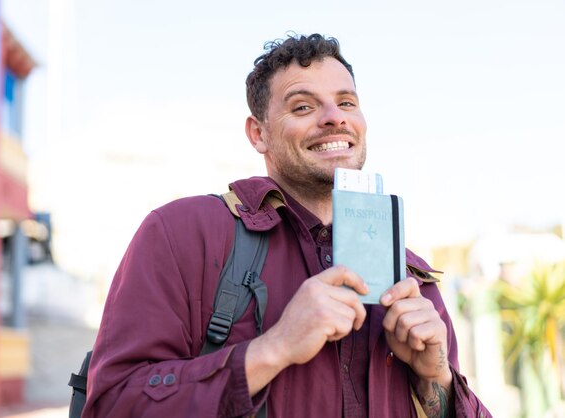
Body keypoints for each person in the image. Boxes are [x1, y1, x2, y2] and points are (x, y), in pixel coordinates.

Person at [83, 33, 492, 417]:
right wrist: (273, 349)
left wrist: (434, 378)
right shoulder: (183, 233)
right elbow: (114, 402)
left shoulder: (412, 276)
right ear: (258, 133)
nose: (334, 118)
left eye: (346, 102)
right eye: (303, 106)